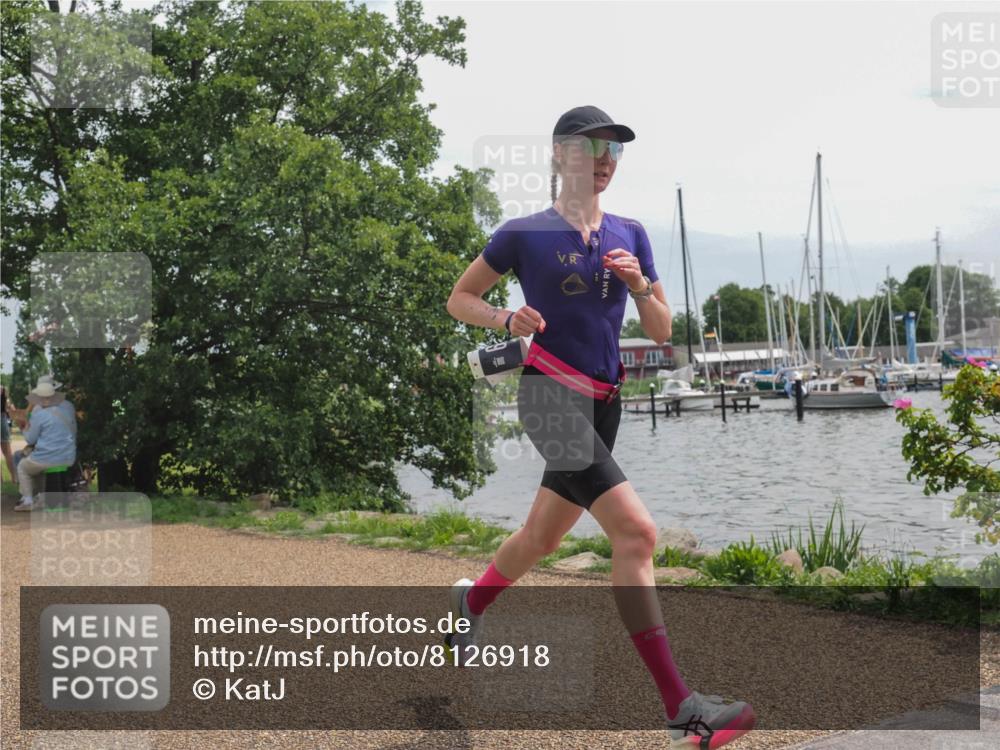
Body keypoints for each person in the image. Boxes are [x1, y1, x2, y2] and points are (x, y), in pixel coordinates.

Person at [445, 106, 755, 748]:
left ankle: (469, 605)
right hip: (548, 398)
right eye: (593, 149)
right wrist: (506, 319)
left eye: (614, 150)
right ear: (561, 155)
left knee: (541, 537)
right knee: (637, 533)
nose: (606, 161)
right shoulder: (522, 234)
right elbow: (460, 298)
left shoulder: (631, 233)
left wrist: (640, 286)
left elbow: (663, 331)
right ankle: (683, 712)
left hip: (605, 405)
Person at [13, 380, 77, 512]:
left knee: (23, 467)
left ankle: (28, 501)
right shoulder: (67, 408)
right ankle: (42, 497)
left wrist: (23, 427)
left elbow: (30, 439)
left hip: (50, 457)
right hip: (69, 455)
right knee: (39, 465)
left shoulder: (40, 414)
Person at [1, 386, 15, 484]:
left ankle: (0, 480)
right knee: (7, 452)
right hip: (2, 420)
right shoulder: (3, 390)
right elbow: (12, 409)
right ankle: (14, 477)